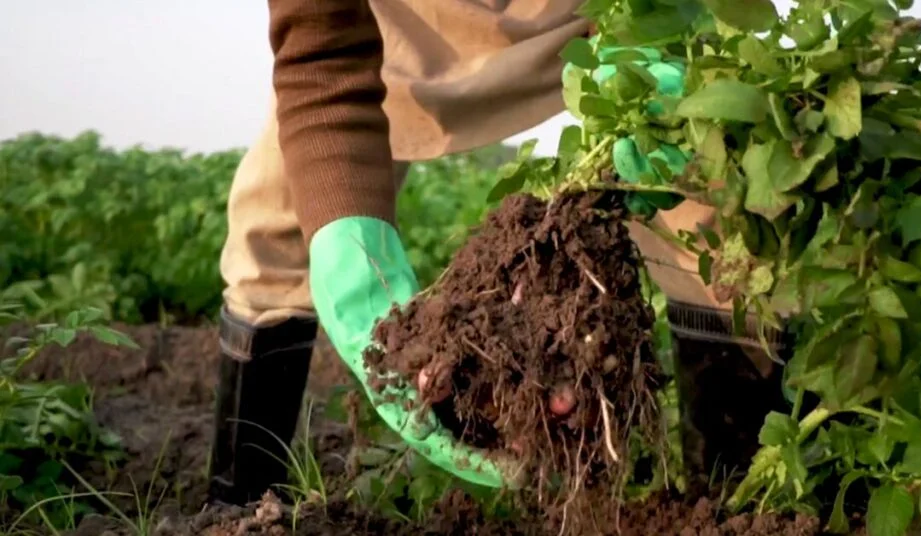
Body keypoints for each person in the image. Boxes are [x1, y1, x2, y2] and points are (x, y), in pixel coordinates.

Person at [206, 0, 748, 506]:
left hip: (585, 14)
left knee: (713, 223)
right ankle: (241, 508)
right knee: (274, 223)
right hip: (398, 22)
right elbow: (322, 51)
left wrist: (653, 38)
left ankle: (733, 506)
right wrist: (346, 245)